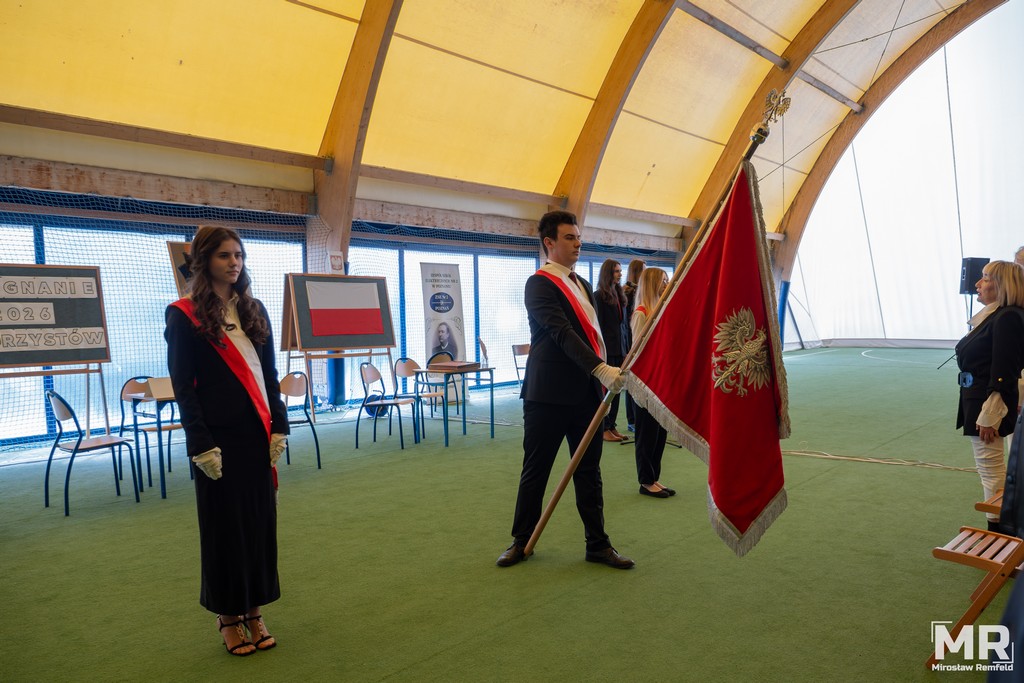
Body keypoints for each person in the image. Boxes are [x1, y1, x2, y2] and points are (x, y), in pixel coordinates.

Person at [165, 225, 290, 656]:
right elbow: (184, 387)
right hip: (216, 443)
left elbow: (269, 376)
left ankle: (254, 611)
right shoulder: (183, 315)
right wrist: (200, 444)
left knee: (258, 526)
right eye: (223, 255)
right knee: (224, 530)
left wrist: (280, 425)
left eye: (238, 255)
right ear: (204, 261)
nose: (234, 262)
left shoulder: (254, 309)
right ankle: (228, 616)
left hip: (257, 437)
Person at [496, 210, 634, 569]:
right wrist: (600, 368)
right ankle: (521, 540)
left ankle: (598, 544)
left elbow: (594, 335)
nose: (577, 244)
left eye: (578, 238)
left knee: (589, 472)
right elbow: (561, 333)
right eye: (569, 238)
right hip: (547, 396)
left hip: (586, 395)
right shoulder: (538, 284)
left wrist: (605, 373)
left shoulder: (583, 284)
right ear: (549, 243)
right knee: (536, 469)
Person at [955, 260, 1024, 531]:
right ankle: (1004, 532)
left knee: (991, 470)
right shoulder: (999, 315)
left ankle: (1000, 534)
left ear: (1002, 285)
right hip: (980, 397)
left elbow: (1004, 370)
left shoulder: (1007, 317)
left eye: (985, 278)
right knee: (992, 470)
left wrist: (991, 412)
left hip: (986, 402)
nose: (977, 284)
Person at [630, 267, 675, 499]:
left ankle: (654, 477)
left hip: (661, 380)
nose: (667, 284)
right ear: (652, 283)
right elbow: (640, 353)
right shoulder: (641, 313)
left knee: (659, 433)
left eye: (667, 280)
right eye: (663, 280)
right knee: (647, 434)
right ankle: (645, 481)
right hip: (646, 382)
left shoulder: (661, 310)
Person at [594, 259, 629, 443]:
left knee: (616, 390)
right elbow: (597, 326)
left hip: (620, 350)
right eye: (616, 271)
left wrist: (627, 350)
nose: (620, 274)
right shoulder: (598, 296)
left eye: (620, 271)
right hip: (606, 350)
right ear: (608, 273)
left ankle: (612, 425)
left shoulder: (620, 295)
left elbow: (623, 327)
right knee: (606, 391)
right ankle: (604, 428)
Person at [622, 259, 645, 432]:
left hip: (636, 337)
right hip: (630, 339)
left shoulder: (641, 292)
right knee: (631, 381)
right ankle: (632, 420)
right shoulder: (628, 293)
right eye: (643, 270)